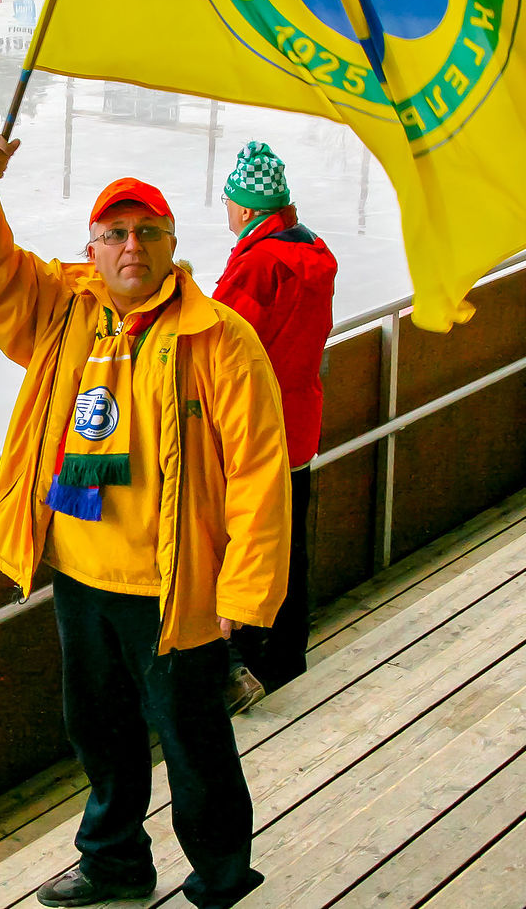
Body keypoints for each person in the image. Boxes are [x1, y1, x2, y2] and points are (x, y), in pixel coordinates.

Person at [0, 133, 292, 909]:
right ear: (92, 250)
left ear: (172, 246)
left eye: (147, 233)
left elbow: (258, 476)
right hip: (80, 572)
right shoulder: (61, 312)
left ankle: (221, 880)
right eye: (114, 234)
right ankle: (113, 864)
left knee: (195, 742)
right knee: (99, 732)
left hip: (174, 585)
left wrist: (244, 592)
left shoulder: (218, 340)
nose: (130, 246)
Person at [213, 141, 337, 712]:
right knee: (289, 549)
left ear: (244, 207)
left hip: (256, 432)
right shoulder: (312, 250)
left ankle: (247, 668)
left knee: (247, 549)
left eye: (228, 201)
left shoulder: (258, 264)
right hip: (299, 424)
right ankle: (287, 660)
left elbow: (220, 339)